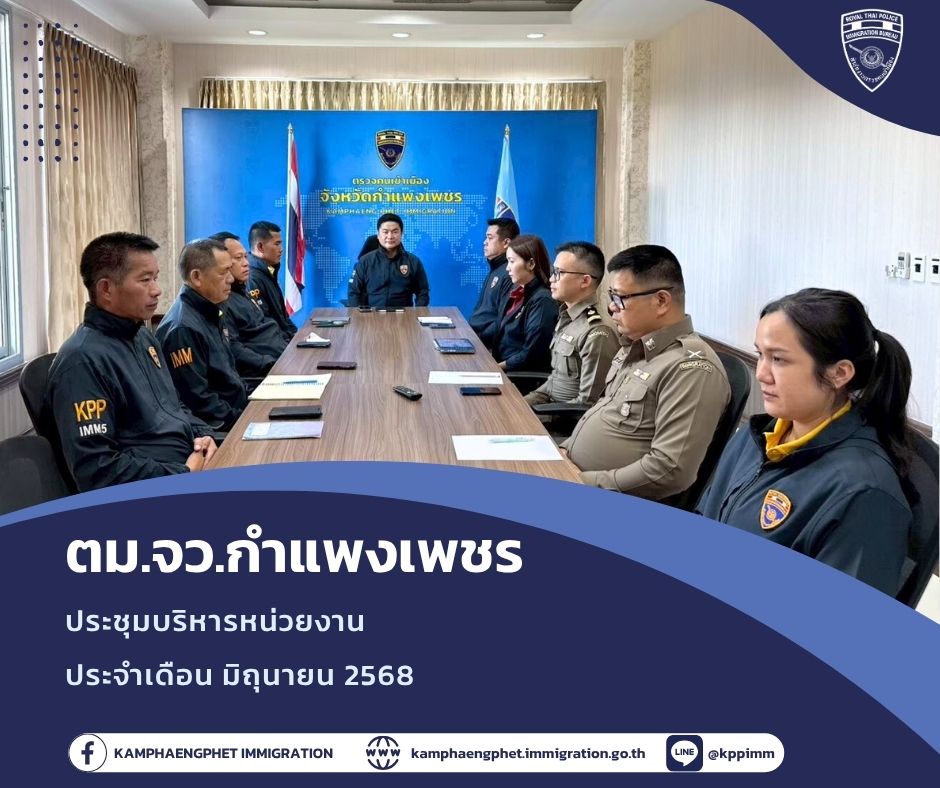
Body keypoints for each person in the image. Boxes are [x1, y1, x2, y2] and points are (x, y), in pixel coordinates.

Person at [697, 289, 913, 595]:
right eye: (760, 355)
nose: (761, 374)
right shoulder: (753, 438)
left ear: (839, 373)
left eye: (779, 359)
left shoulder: (864, 492)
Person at [43, 232, 216, 491]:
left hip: (191, 463)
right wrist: (182, 473)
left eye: (155, 278)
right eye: (145, 280)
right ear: (106, 289)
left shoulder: (143, 337)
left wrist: (204, 435)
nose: (157, 290)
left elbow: (173, 406)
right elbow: (97, 471)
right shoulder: (82, 362)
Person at [561, 244, 730, 501]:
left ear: (661, 301)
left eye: (620, 298)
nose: (611, 308)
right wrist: (563, 453)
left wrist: (578, 482)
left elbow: (669, 470)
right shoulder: (635, 347)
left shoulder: (690, 368)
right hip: (572, 474)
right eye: (611, 297)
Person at [156, 238, 247, 431]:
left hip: (237, 410)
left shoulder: (211, 309)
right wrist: (245, 420)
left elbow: (227, 377)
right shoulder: (182, 329)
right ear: (197, 277)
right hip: (220, 427)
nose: (231, 279)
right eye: (223, 272)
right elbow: (199, 402)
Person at [525, 241, 618, 407]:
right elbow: (555, 381)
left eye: (559, 273)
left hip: (566, 418)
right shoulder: (567, 315)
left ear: (585, 281)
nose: (551, 279)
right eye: (553, 271)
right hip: (550, 408)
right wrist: (524, 404)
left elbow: (587, 404)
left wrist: (538, 412)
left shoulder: (597, 330)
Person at [210, 231, 287, 377]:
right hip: (266, 373)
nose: (246, 263)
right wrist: (271, 364)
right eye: (238, 258)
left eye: (245, 256)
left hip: (282, 358)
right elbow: (233, 348)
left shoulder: (242, 291)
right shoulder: (221, 300)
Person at [491, 234, 557, 372]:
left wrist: (494, 368)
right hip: (500, 366)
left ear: (531, 264)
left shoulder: (543, 300)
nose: (507, 268)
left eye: (512, 261)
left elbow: (531, 354)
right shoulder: (515, 292)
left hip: (519, 375)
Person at [347, 213, 430, 308]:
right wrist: (361, 314)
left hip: (404, 315)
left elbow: (423, 292)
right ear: (378, 235)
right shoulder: (365, 261)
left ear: (401, 234)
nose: (390, 236)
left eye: (395, 232)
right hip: (372, 314)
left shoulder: (413, 261)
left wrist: (417, 313)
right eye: (385, 232)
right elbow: (353, 292)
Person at [469, 217, 520, 349]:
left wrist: (479, 340)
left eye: (490, 238)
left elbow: (504, 319)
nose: (485, 242)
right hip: (475, 338)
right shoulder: (495, 269)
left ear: (506, 243)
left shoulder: (510, 274)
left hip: (486, 346)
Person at [247, 220, 296, 340]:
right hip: (276, 345)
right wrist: (289, 342)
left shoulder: (269, 272)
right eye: (277, 244)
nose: (281, 249)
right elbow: (264, 324)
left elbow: (283, 318)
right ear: (260, 247)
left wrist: (297, 336)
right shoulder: (252, 278)